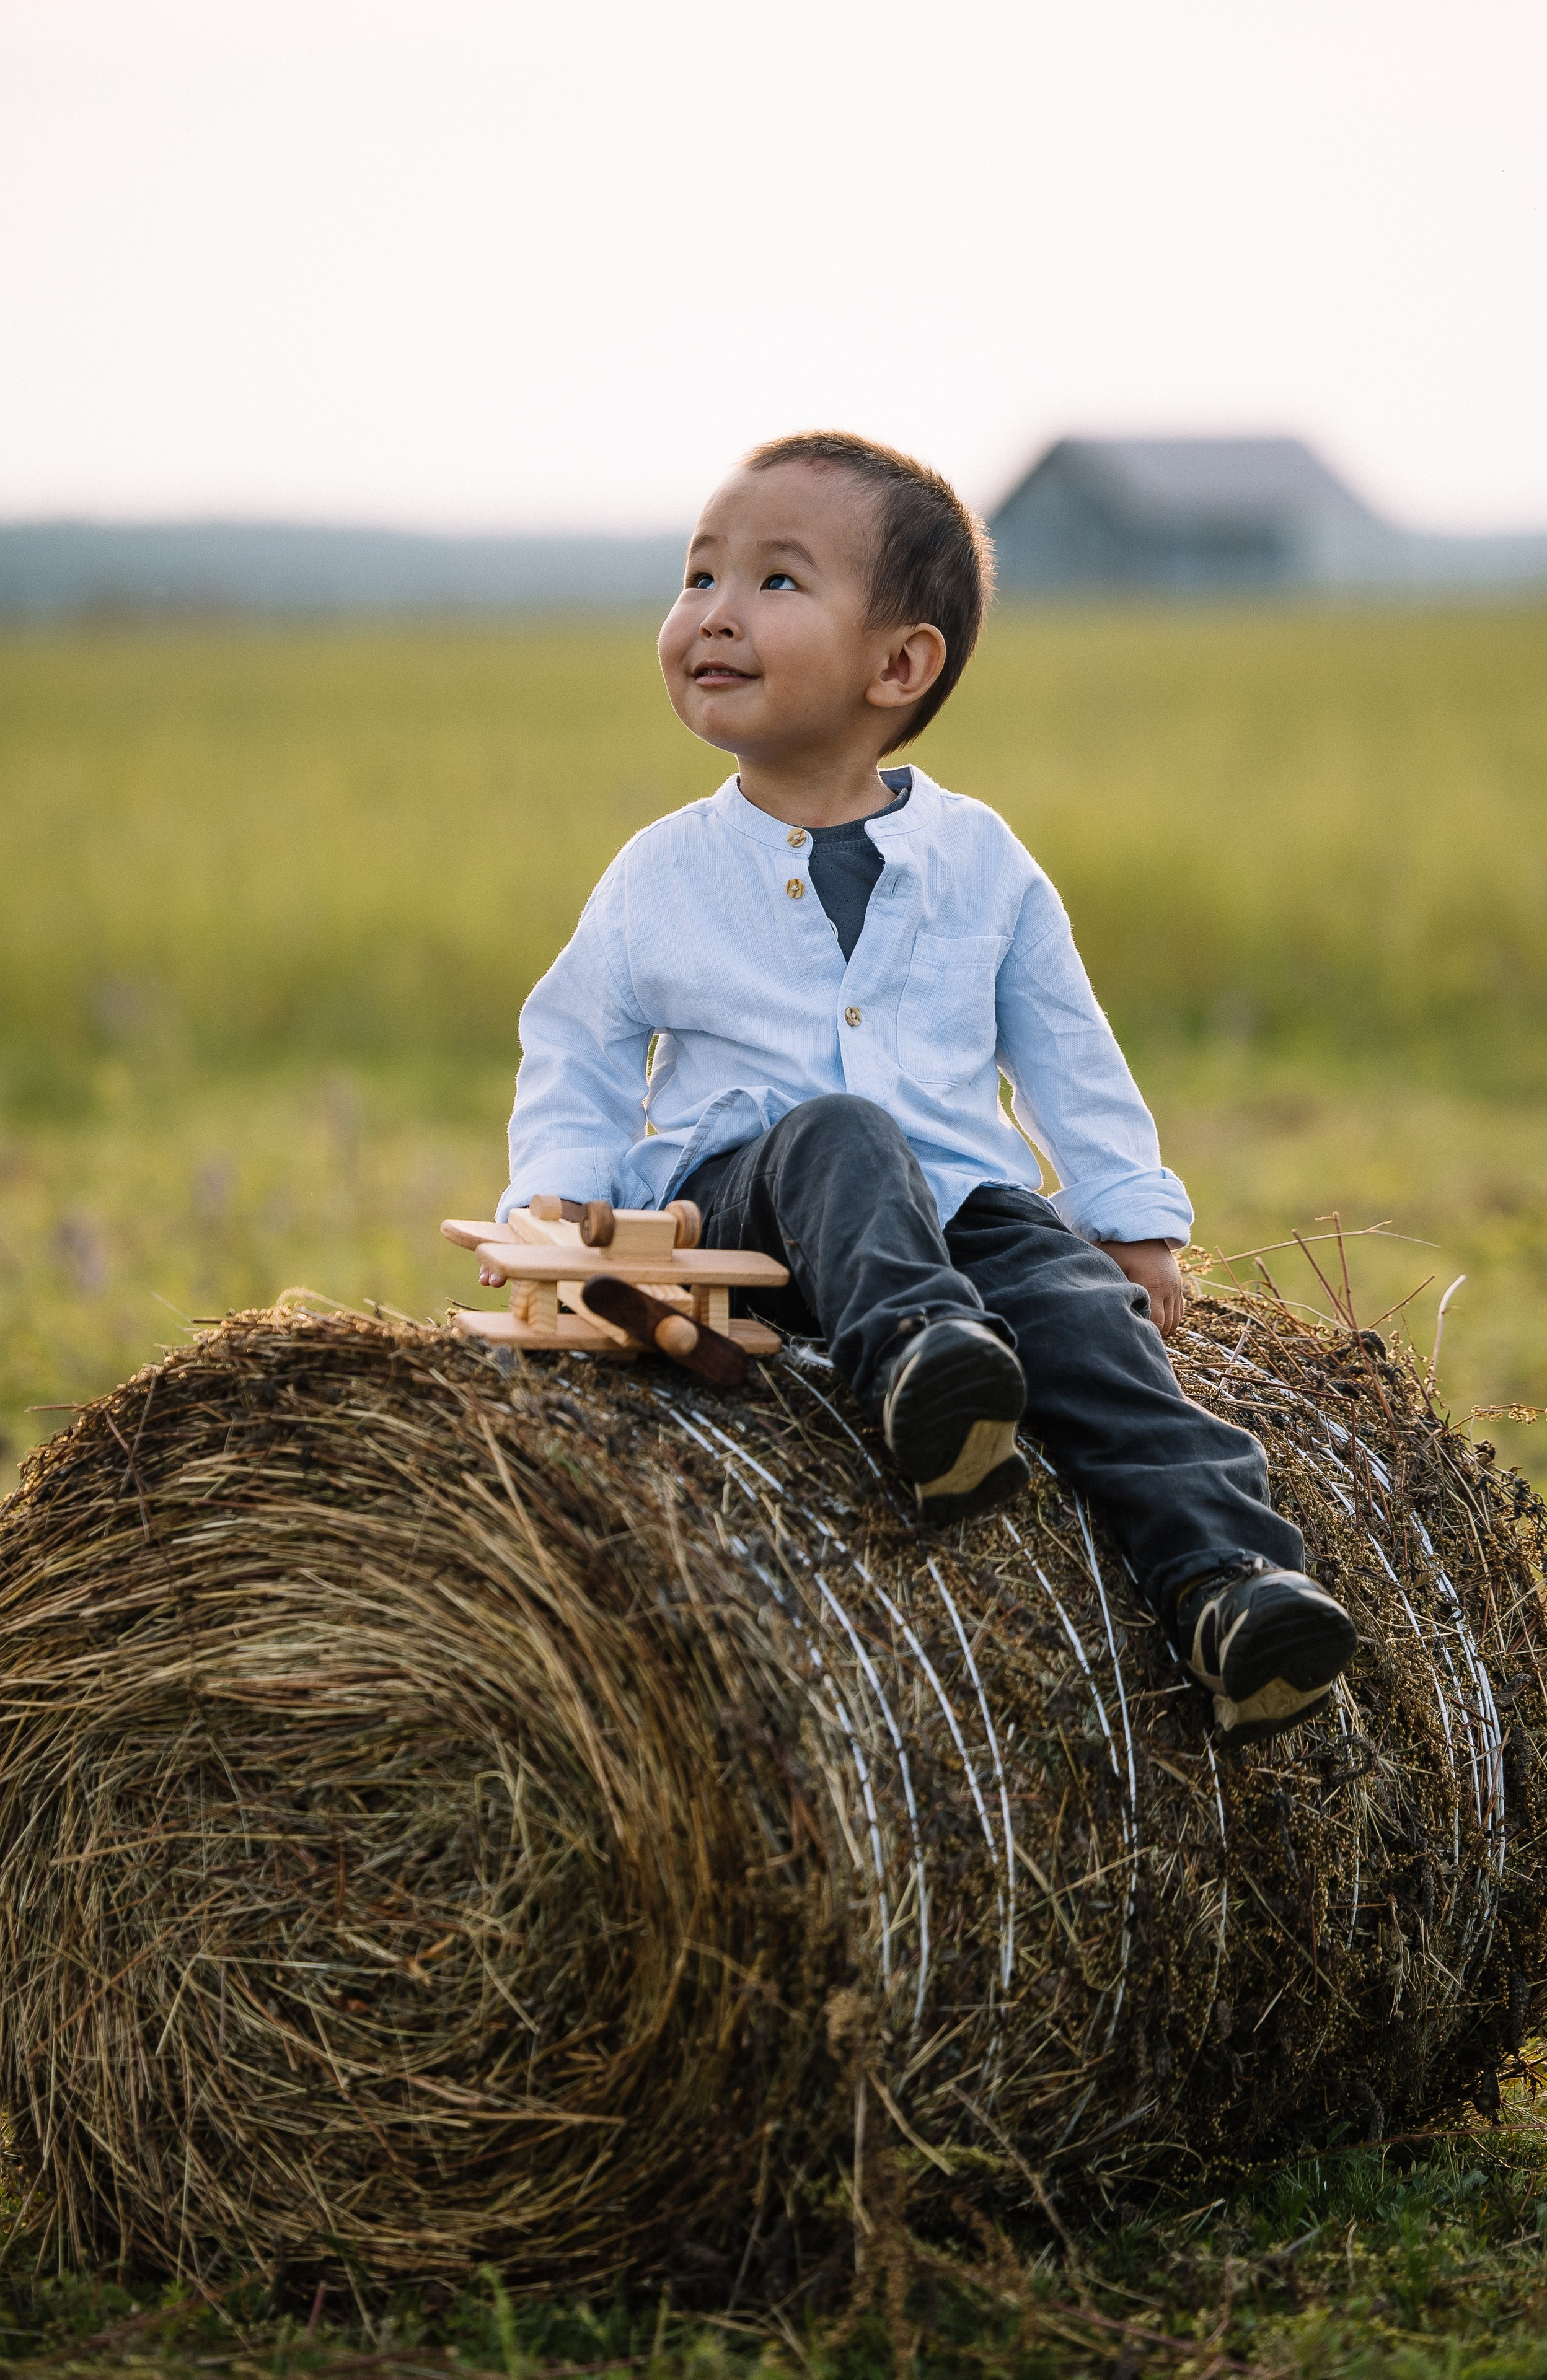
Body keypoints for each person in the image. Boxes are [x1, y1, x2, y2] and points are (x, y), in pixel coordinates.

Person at [485, 429, 1356, 1748]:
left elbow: (1064, 1044)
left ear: (898, 665)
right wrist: (560, 1197)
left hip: (958, 1201)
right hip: (749, 1208)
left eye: (774, 582)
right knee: (837, 1130)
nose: (712, 613)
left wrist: (1125, 1212)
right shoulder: (656, 875)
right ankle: (923, 1371)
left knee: (1085, 1321)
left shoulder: (980, 859)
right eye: (697, 575)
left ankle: (1229, 1588)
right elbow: (577, 1046)